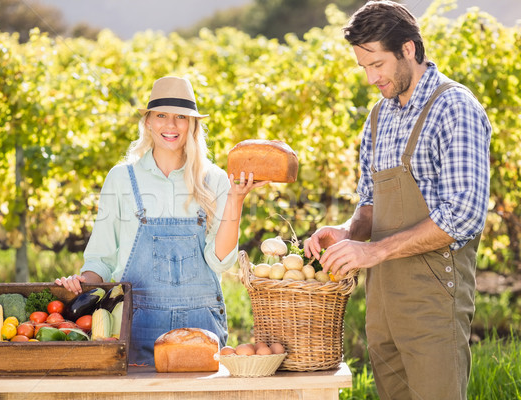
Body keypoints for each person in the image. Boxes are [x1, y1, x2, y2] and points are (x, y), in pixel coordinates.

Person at [303, 1, 491, 399]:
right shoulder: (378, 117)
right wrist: (346, 232)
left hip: (432, 300)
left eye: (378, 64)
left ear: (408, 49)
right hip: (383, 302)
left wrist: (374, 252)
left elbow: (463, 215)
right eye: (363, 67)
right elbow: (370, 203)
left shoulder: (454, 107)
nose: (372, 77)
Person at [56, 76, 267, 365]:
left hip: (201, 326)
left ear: (192, 124)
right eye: (161, 116)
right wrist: (81, 282)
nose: (171, 125)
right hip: (136, 323)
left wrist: (236, 200)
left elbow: (221, 262)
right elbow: (101, 259)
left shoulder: (215, 179)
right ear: (149, 123)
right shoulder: (121, 178)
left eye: (181, 117)